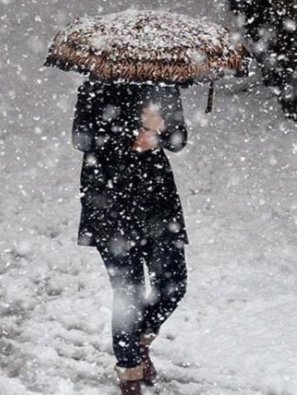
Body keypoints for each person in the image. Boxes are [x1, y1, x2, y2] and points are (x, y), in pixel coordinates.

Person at [72, 77, 189, 395]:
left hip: (157, 204)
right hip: (109, 203)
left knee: (173, 284)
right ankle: (129, 373)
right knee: (129, 294)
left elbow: (179, 140)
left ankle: (139, 341)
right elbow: (82, 139)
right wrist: (132, 133)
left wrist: (161, 129)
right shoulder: (95, 86)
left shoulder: (163, 86)